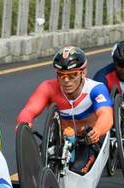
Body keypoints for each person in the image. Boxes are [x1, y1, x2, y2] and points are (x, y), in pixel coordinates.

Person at [16, 47, 114, 175]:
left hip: (88, 139)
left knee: (77, 171)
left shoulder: (96, 89)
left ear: (83, 72)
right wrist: (24, 124)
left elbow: (106, 115)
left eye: (72, 75)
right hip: (61, 140)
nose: (66, 81)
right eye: (61, 75)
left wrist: (97, 131)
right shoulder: (48, 87)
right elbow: (29, 110)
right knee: (35, 168)